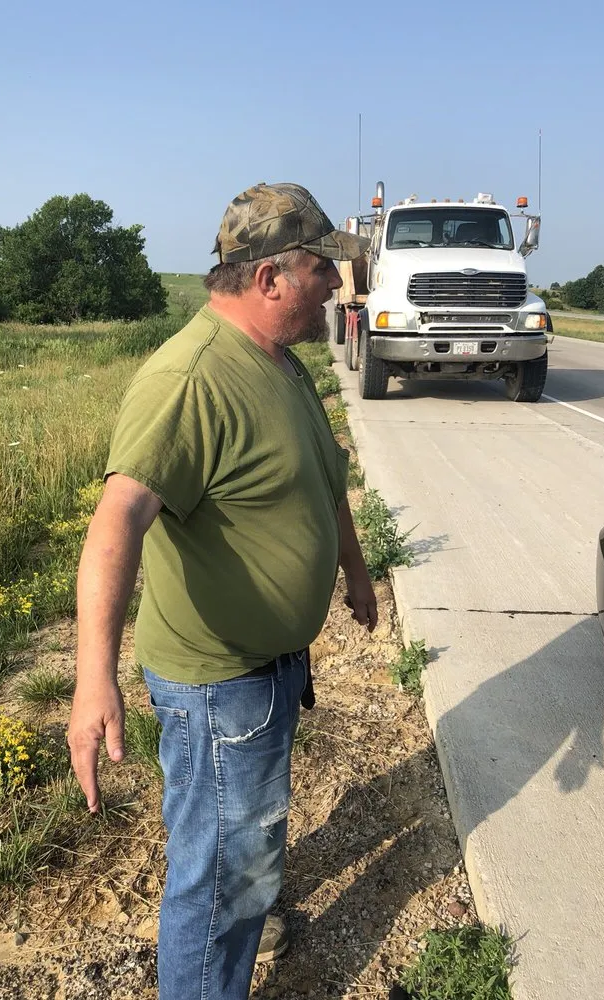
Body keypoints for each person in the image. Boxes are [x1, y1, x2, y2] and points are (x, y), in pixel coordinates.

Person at [68, 182, 378, 1000]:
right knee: (217, 887)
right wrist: (93, 677)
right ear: (270, 277)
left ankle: (254, 898)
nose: (337, 288)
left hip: (268, 670)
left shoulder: (279, 363)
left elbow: (323, 477)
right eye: (324, 270)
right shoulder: (192, 379)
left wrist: (353, 570)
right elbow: (115, 525)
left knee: (247, 841)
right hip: (218, 685)